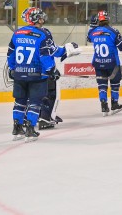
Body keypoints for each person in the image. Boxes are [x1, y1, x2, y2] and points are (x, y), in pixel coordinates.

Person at [7, 8, 79, 141]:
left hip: (19, 74)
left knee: (20, 102)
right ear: (34, 19)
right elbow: (47, 55)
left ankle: (16, 128)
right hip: (37, 75)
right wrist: (52, 70)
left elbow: (10, 54)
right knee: (35, 102)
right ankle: (30, 129)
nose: (42, 18)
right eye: (40, 17)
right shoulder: (43, 34)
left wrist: (12, 68)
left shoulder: (16, 33)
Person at [87, 10, 122, 116]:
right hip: (113, 64)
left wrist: (92, 25)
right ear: (108, 19)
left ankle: (103, 105)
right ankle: (114, 104)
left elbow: (88, 39)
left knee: (102, 85)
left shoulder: (93, 32)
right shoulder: (113, 31)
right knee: (115, 84)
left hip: (98, 63)